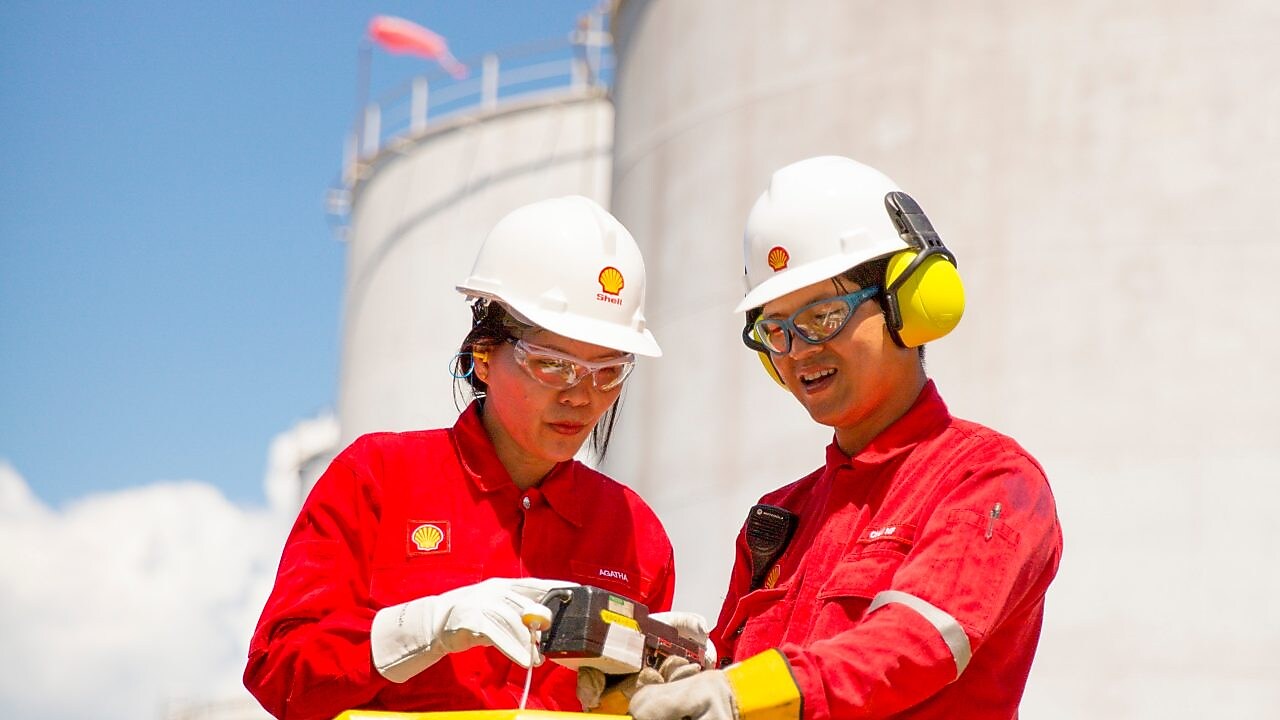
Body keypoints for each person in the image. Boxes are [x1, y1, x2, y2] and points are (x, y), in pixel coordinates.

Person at [624, 156, 1064, 720]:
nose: (798, 349)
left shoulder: (990, 481)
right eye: (775, 329)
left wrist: (740, 693)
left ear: (908, 303)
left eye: (823, 316)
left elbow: (911, 646)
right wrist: (687, 672)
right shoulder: (780, 517)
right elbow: (740, 687)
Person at [244, 195, 682, 719]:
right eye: (552, 365)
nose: (580, 395)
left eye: (607, 371)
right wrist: (426, 629)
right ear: (483, 355)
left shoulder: (635, 532)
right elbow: (279, 673)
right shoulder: (378, 478)